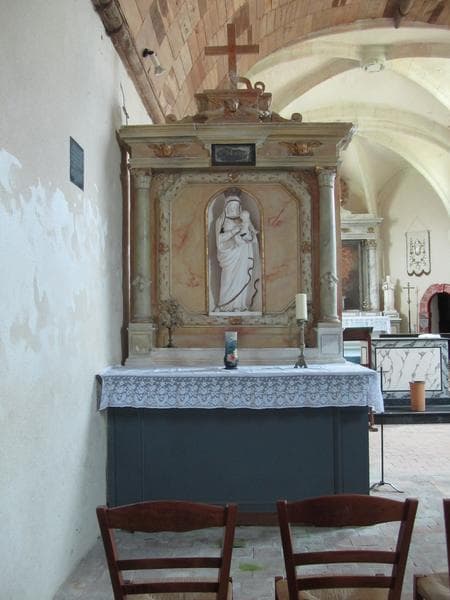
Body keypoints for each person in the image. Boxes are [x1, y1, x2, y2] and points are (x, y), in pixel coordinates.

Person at [215, 195, 260, 312]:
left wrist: (246, 232)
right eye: (231, 206)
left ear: (239, 208)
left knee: (241, 278)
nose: (233, 209)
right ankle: (225, 305)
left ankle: (239, 305)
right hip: (229, 254)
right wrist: (234, 231)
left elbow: (251, 237)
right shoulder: (221, 221)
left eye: (235, 207)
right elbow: (219, 239)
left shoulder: (243, 221)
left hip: (242, 254)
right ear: (226, 208)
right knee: (227, 278)